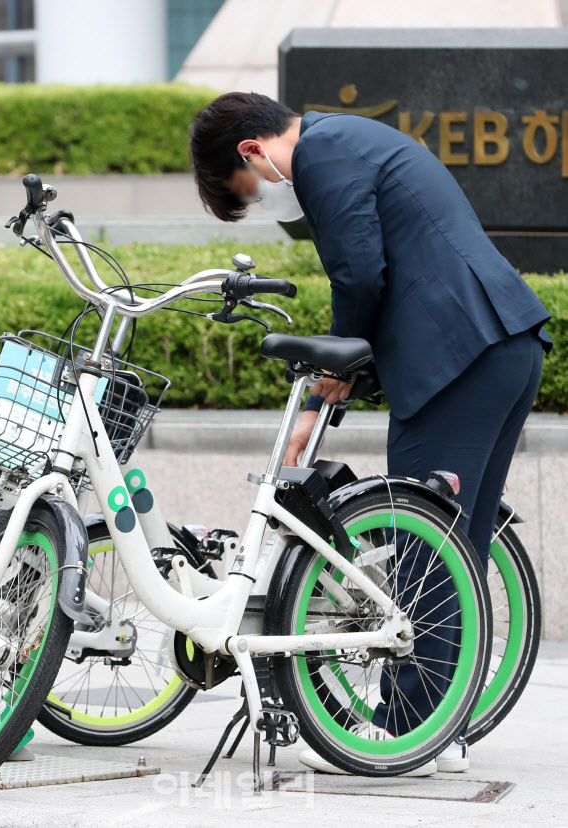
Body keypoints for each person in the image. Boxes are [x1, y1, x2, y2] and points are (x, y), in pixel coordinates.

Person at [189, 91, 552, 776]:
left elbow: (357, 271)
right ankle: (445, 729)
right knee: (455, 551)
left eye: (251, 190)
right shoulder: (353, 138)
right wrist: (339, 385)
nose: (267, 198)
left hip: (461, 361)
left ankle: (405, 731)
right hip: (499, 349)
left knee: (420, 550)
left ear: (253, 151)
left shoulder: (321, 154)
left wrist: (334, 368)